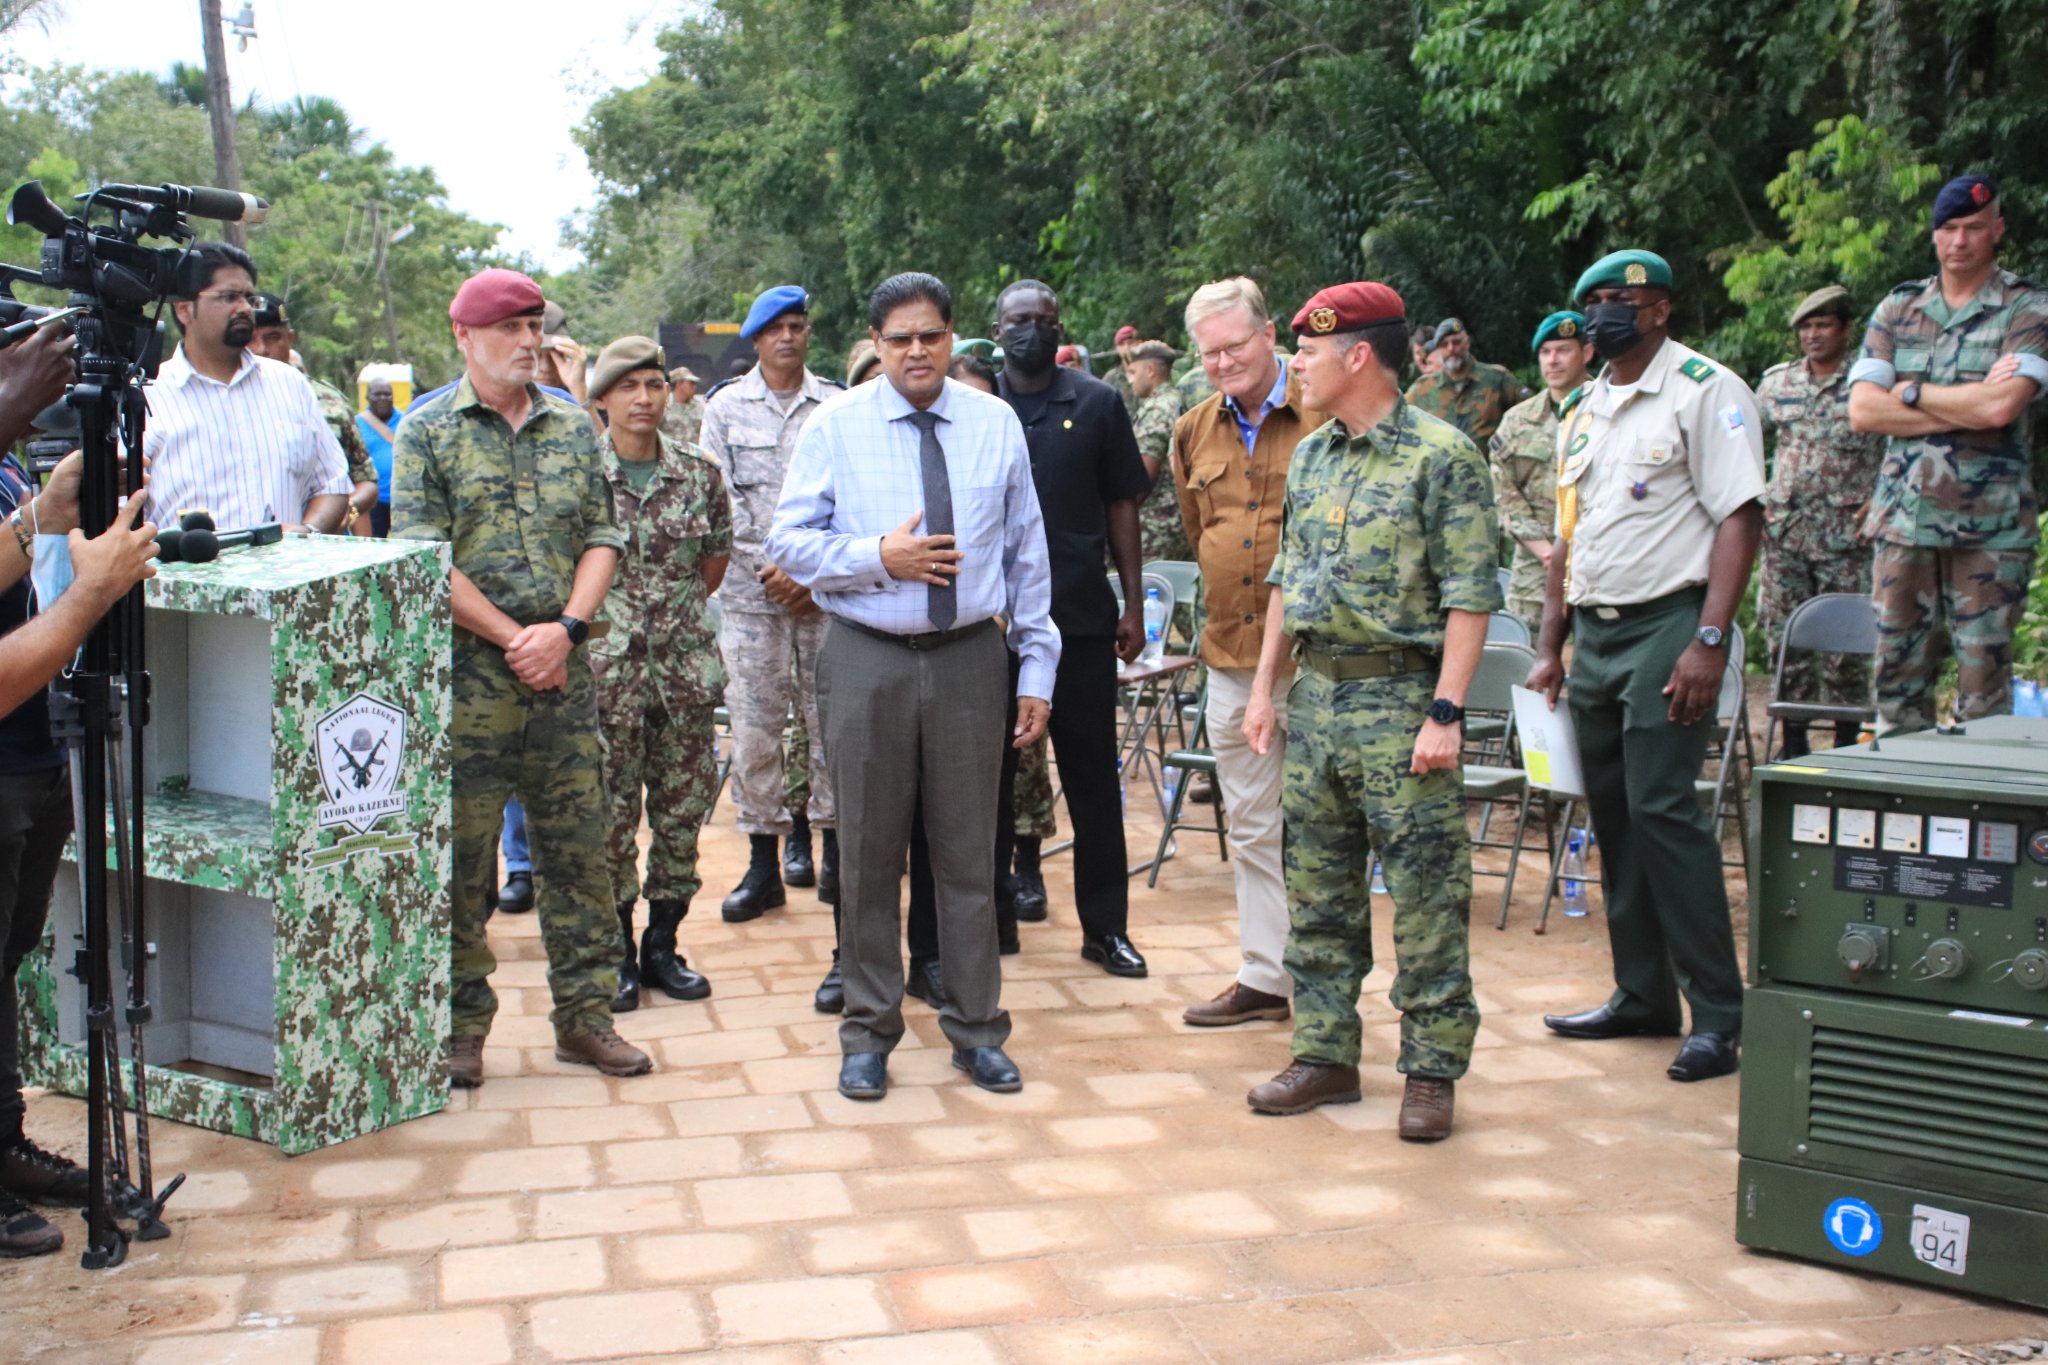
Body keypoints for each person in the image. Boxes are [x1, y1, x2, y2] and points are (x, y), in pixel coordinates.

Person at [768, 270, 1057, 1102]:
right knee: (866, 854)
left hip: (971, 658)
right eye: (900, 339)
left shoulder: (993, 422)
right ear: (876, 346)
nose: (918, 351)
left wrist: (1035, 667)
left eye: (931, 334)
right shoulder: (838, 426)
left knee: (971, 855)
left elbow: (1025, 556)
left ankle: (976, 1030)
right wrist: (875, 558)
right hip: (868, 657)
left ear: (953, 336)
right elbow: (789, 541)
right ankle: (868, 1032)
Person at [1240, 282, 1498, 1141]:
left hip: (1402, 699)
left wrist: (1447, 711)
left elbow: (1470, 595)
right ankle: (1324, 1053)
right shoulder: (1314, 456)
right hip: (1317, 699)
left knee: (1425, 893)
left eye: (1309, 352)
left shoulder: (1443, 455)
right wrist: (1265, 689)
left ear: (1358, 356)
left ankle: (1430, 1070)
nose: (1296, 365)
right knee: (1317, 891)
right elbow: (1286, 579)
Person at [393, 267, 650, 1087]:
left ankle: (586, 1019)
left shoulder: (574, 428)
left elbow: (604, 535)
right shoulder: (426, 431)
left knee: (582, 852)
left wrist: (566, 630)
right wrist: (517, 639)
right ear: (464, 336)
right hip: (472, 682)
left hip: (565, 676)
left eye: (535, 326)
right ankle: (463, 1027)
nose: (530, 342)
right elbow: (425, 560)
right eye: (510, 328)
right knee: (464, 859)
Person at [1527, 249, 1763, 1084]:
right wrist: (1551, 645)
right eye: (1591, 304)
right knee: (1615, 814)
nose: (1600, 317)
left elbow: (1740, 516)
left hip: (1671, 622)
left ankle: (1719, 1015)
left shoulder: (1706, 390)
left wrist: (1710, 638)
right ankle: (1642, 994)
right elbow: (1567, 535)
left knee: (1666, 811)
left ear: (1659, 308)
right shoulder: (1585, 406)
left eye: (1618, 302)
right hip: (1596, 632)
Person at [0, 327, 162, 1258]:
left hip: (25, 751)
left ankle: (4, 1143)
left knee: (9, 955)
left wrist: (38, 524)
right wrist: (87, 594)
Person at [1171, 276, 1328, 1028]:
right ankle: (1266, 974)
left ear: (1271, 336)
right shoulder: (1193, 429)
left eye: (1236, 345)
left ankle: (1328, 985)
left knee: (1328, 827)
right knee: (1255, 823)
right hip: (1233, 658)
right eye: (1210, 352)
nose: (1224, 362)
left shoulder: (1326, 412)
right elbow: (1200, 528)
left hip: (1325, 661)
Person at [1848, 174, 2048, 733]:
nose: (1960, 241)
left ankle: (1981, 812)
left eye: (1974, 229)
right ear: (1935, 235)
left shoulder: (2027, 308)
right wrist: (1970, 398)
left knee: (1983, 691)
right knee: (1895, 683)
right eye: (1949, 229)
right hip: (1903, 524)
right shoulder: (1898, 307)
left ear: (1997, 230)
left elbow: (2000, 409)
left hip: (1991, 532)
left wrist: (1908, 390)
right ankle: (1900, 808)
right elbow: (1863, 412)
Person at [994, 280, 1152, 977]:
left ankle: (1105, 929)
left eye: (1041, 321)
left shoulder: (1096, 402)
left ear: (1060, 329)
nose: (1028, 330)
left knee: (1092, 784)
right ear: (996, 329)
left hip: (1080, 621)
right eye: (1016, 321)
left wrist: (1134, 605)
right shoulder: (975, 405)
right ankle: (994, 921)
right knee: (987, 788)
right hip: (990, 629)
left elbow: (1123, 503)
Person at [584, 337, 730, 1014]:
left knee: (679, 819)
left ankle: (663, 946)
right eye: (628, 387)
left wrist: (667, 620)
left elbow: (713, 564)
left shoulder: (699, 475)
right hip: (604, 680)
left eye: (652, 384)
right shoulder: (581, 476)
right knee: (611, 819)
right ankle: (614, 949)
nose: (643, 399)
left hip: (684, 677)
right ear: (602, 399)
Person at [701, 286, 841, 943]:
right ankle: (764, 863)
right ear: (755, 339)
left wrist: (810, 574)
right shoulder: (724, 410)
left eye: (798, 326)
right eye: (775, 328)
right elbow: (718, 503)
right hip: (753, 597)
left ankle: (836, 853)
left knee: (831, 720)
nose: (788, 336)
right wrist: (775, 571)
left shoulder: (837, 406)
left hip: (825, 595)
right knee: (756, 727)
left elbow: (852, 500)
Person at [141, 243, 351, 534]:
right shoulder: (146, 394)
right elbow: (123, 510)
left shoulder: (289, 384)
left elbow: (333, 485)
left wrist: (308, 533)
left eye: (249, 298)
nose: (243, 308)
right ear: (185, 309)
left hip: (284, 575)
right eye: (228, 297)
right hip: (185, 576)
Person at [1757, 285, 1886, 754]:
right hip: (1785, 537)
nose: (1813, 335)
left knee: (1845, 648)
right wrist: (1755, 495)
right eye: (1806, 327)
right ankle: (1794, 742)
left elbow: (1899, 443)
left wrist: (1882, 495)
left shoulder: (1868, 383)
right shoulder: (1777, 385)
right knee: (1783, 639)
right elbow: (1743, 439)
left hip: (1847, 539)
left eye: (1824, 325)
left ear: (1846, 330)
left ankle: (1848, 744)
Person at [1489, 311, 1592, 633]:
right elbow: (1504, 494)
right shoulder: (1518, 421)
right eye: (1546, 353)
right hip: (1536, 569)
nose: (1553, 361)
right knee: (1528, 670)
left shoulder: (1612, 410)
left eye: (1563, 350)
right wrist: (1549, 554)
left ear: (1587, 352)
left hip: (1601, 561)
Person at [245, 294, 380, 535]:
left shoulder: (330, 401)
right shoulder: (229, 400)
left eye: (273, 337)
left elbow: (366, 480)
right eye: (250, 339)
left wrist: (346, 508)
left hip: (328, 544)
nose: (261, 349)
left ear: (290, 339)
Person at [1403, 317, 1529, 446]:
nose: (1451, 349)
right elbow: (1396, 419)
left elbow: (1531, 414)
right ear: (1438, 349)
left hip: (1489, 464)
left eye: (1456, 342)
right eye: (1444, 344)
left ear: (1467, 343)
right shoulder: (1423, 389)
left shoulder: (1497, 378)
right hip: (1443, 465)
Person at [1129, 340, 1191, 564]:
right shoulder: (1180, 401)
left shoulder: (1157, 409)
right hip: (1181, 522)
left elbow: (1142, 477)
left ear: (1151, 370)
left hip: (1156, 529)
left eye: (1133, 372)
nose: (1131, 380)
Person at [356, 378, 402, 538]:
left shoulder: (406, 420)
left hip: (402, 499)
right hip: (373, 501)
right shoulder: (357, 424)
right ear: (367, 397)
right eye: (377, 395)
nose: (382, 398)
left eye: (387, 394)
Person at [660, 365, 705, 448]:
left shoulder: (699, 408)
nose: (694, 387)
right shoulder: (663, 406)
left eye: (695, 384)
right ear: (679, 384)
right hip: (669, 455)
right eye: (691, 384)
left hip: (692, 456)